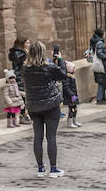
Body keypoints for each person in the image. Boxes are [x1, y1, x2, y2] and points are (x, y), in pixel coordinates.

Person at [22, 40, 74, 176]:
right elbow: (63, 75)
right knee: (51, 136)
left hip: (33, 105)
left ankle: (40, 168)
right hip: (50, 105)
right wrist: (61, 60)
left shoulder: (25, 68)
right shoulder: (49, 66)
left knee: (37, 136)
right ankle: (53, 168)